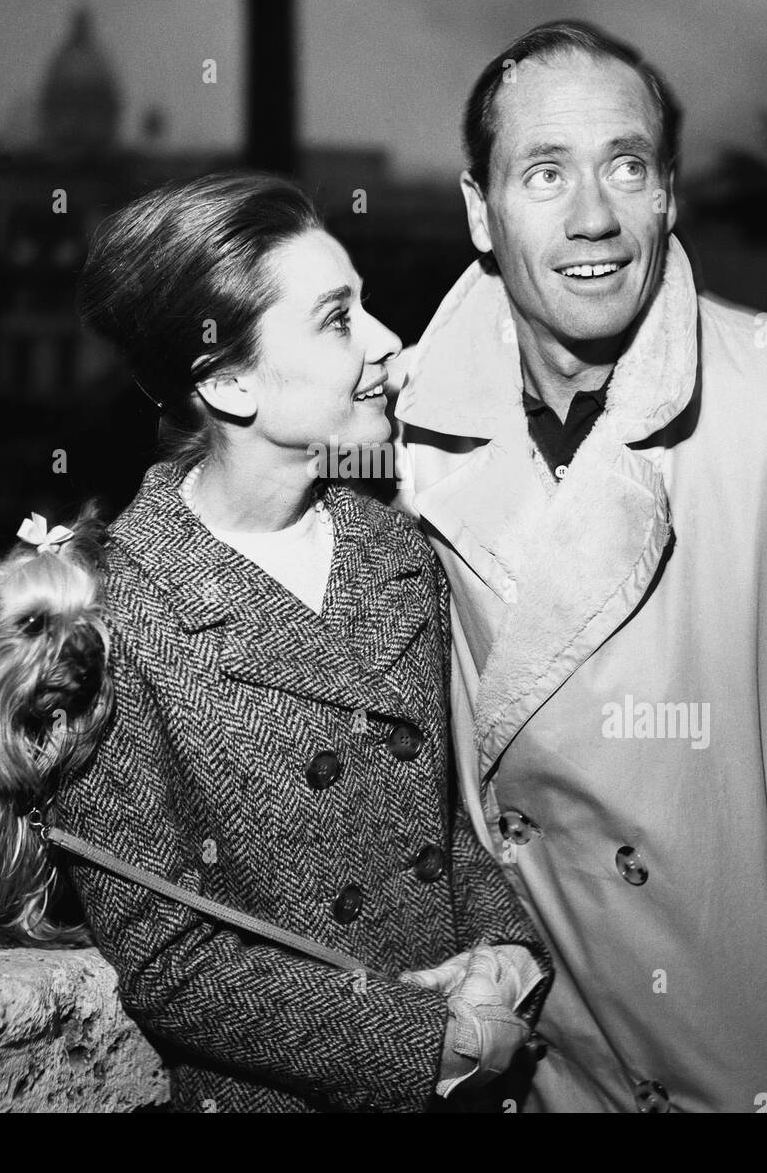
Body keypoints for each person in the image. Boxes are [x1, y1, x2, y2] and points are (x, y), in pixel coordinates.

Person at [389, 19, 767, 1112]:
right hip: (511, 1066)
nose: (594, 216)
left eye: (626, 166)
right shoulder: (391, 438)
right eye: (543, 173)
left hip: (738, 1067)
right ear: (479, 212)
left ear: (667, 192)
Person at [57, 171, 550, 1113]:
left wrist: (505, 956)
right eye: (336, 320)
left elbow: (446, 826)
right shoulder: (114, 616)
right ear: (229, 380)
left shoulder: (398, 552)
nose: (386, 343)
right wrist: (427, 1047)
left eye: (364, 305)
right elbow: (171, 960)